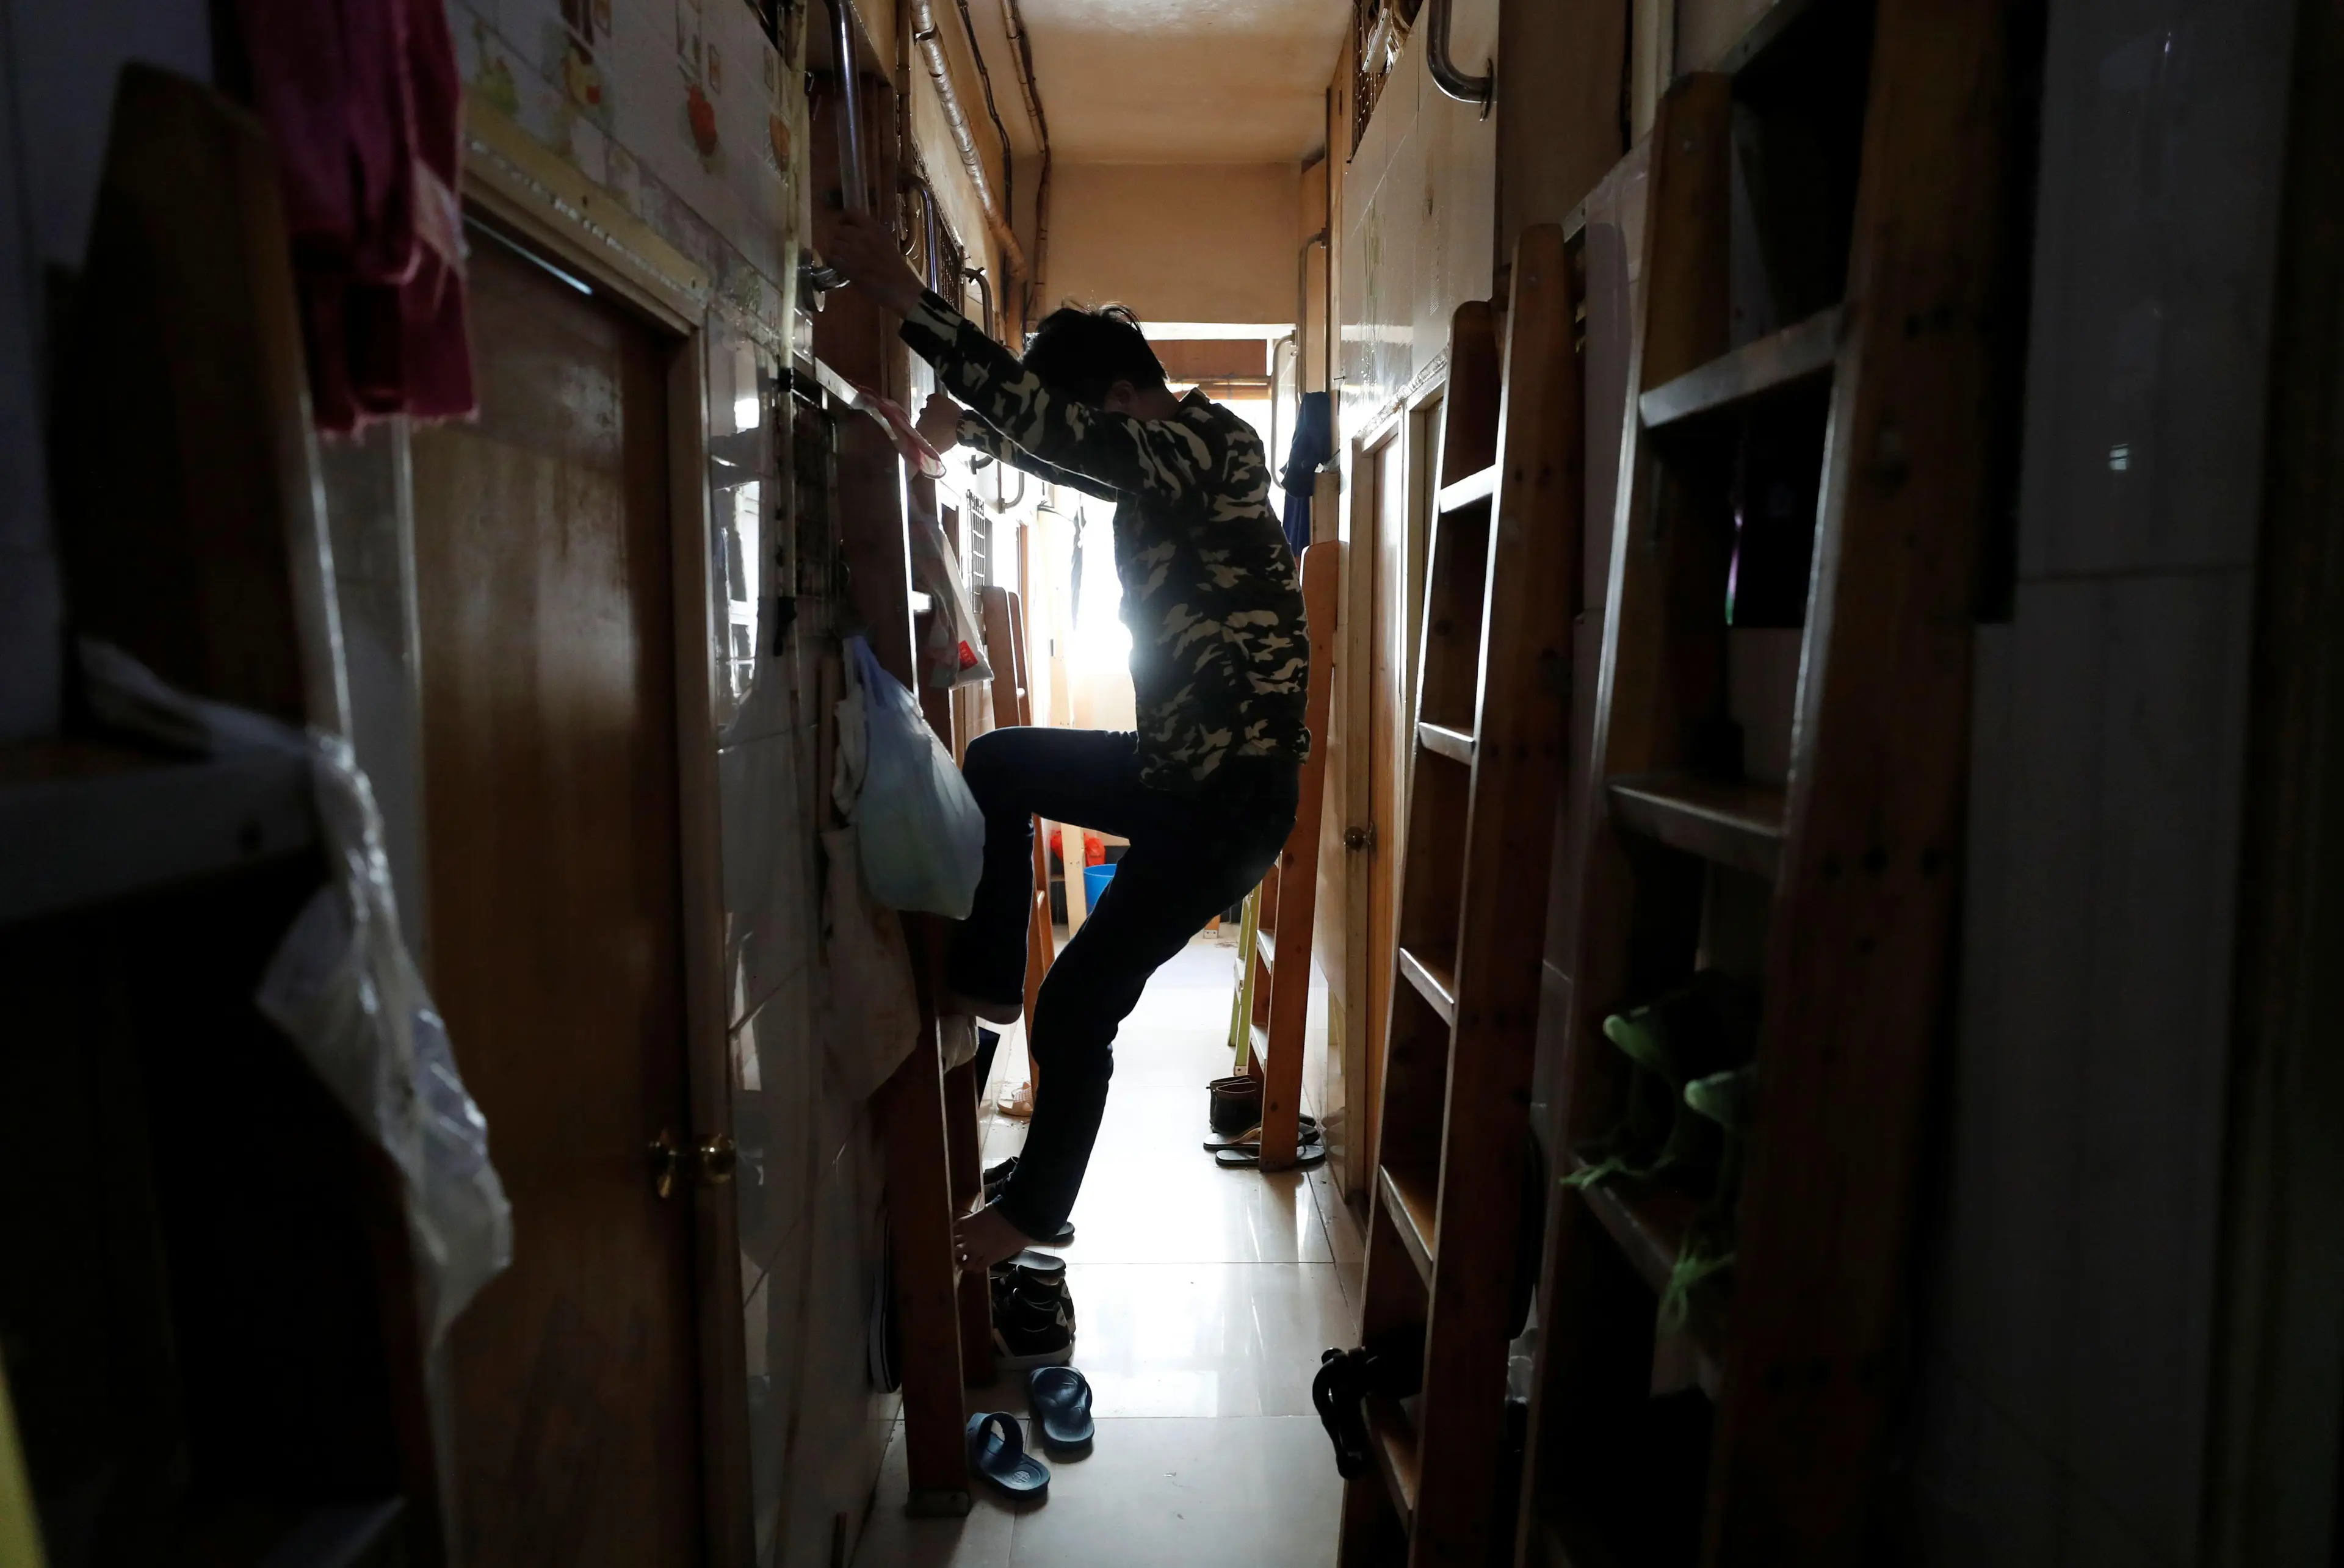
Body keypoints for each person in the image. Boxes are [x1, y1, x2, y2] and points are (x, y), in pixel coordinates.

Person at [820, 210, 1311, 1271]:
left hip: (1227, 803)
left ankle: (1036, 1213)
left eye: (1093, 419)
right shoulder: (1168, 462)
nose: (1092, 441)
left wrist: (905, 298)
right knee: (999, 762)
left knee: (1081, 1005)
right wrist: (971, 431)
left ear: (1126, 397)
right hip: (1173, 771)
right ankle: (991, 979)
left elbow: (1074, 441)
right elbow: (1074, 453)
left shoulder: (1215, 446)